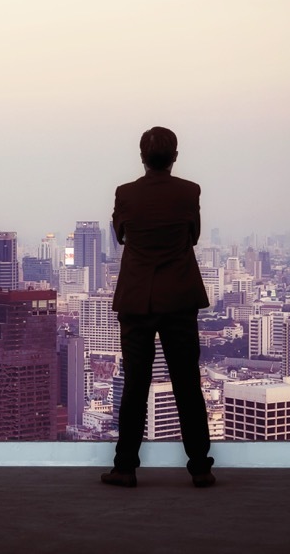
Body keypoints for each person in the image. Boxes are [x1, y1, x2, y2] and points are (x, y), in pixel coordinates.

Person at [101, 126, 215, 488]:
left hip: (138, 299)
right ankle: (199, 467)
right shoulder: (189, 192)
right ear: (175, 157)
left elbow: (120, 235)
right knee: (186, 383)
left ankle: (125, 467)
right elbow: (193, 237)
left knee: (136, 383)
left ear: (141, 157)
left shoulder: (125, 194)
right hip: (179, 297)